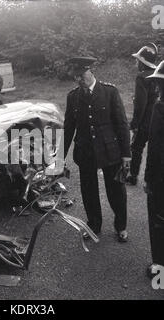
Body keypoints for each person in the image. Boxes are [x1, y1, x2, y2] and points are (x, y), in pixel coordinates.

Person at [64, 56, 131, 242]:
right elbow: (69, 127)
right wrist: (59, 157)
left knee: (116, 191)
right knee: (88, 191)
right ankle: (94, 225)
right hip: (85, 152)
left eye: (82, 74)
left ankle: (121, 226)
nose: (79, 79)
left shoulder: (110, 92)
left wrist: (126, 154)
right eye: (75, 77)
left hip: (110, 151)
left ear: (91, 70)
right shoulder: (73, 97)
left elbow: (122, 124)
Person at [126, 43, 159, 185]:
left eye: (137, 60)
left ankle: (133, 176)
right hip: (158, 119)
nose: (136, 62)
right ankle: (152, 179)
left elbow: (141, 104)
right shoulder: (158, 74)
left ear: (142, 62)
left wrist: (134, 124)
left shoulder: (141, 77)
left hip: (145, 121)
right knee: (155, 149)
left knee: (136, 148)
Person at [144, 61, 164, 276]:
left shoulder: (160, 107)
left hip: (161, 180)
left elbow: (155, 147)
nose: (157, 87)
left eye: (159, 83)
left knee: (158, 222)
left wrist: (149, 179)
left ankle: (160, 267)